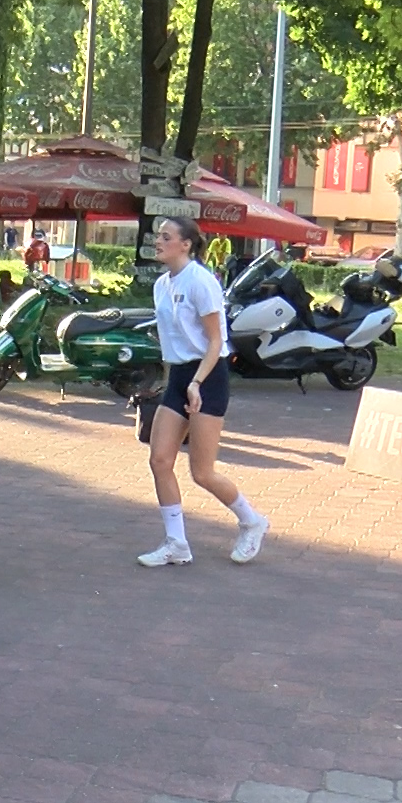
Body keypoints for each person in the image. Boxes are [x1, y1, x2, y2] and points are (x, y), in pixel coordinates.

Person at [138, 216, 268, 568]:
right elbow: (173, 340)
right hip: (180, 375)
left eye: (166, 236)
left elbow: (215, 341)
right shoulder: (162, 284)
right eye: (158, 235)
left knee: (202, 472)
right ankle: (176, 543)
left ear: (186, 244)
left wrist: (196, 383)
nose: (158, 241)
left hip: (208, 376)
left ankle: (252, 521)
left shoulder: (201, 281)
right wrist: (174, 381)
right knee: (159, 459)